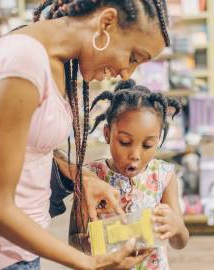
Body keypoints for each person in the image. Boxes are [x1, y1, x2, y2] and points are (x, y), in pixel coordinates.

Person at [0, 0, 171, 269]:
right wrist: (90, 263)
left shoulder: (51, 60)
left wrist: (82, 177)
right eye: (134, 56)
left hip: (21, 249)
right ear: (106, 22)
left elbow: (24, 145)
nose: (126, 72)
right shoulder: (25, 60)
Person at [70, 79, 189, 269]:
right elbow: (74, 238)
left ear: (158, 140)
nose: (135, 155)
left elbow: (180, 242)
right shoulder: (91, 177)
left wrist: (176, 227)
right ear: (107, 134)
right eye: (125, 142)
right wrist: (92, 243)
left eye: (148, 145)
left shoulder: (163, 175)